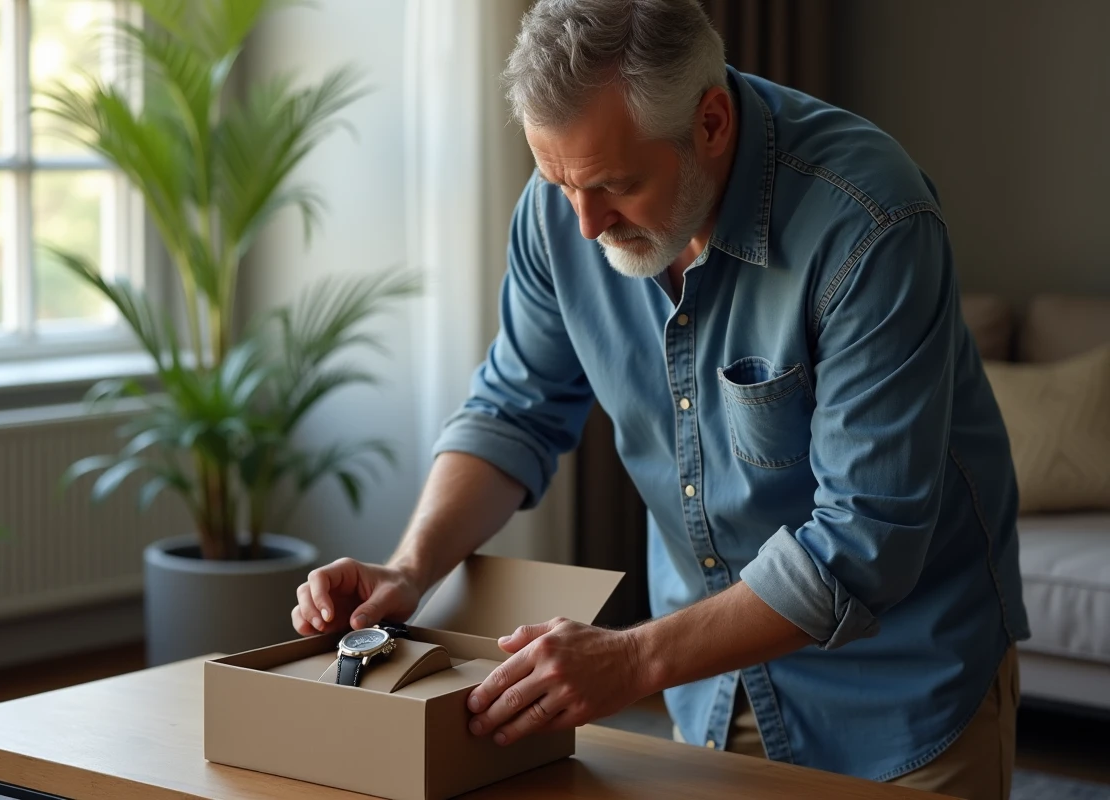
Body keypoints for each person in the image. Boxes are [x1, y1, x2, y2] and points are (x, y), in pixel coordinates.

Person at [292, 1, 1029, 797]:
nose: (582, 224)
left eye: (614, 184)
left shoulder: (871, 223)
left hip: (902, 691)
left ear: (711, 122)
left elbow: (866, 538)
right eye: (558, 181)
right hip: (708, 684)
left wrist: (632, 659)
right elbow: (513, 412)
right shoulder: (566, 208)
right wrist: (410, 567)